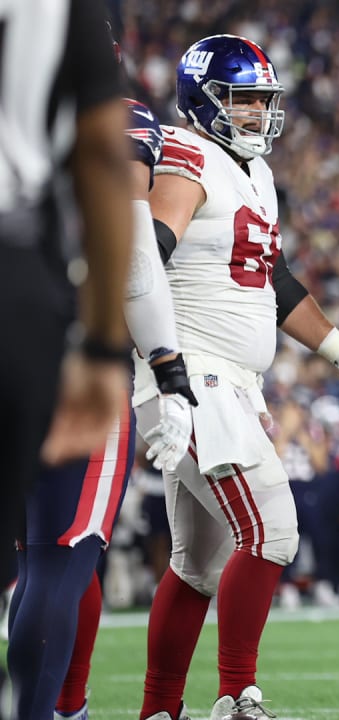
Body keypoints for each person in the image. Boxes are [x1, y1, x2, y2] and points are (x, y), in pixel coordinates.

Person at [133, 34, 339, 720]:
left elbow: (270, 278)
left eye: (261, 100)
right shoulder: (188, 155)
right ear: (204, 101)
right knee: (272, 532)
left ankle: (158, 711)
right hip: (192, 376)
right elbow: (145, 252)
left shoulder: (253, 173)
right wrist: (165, 373)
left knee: (197, 567)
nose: (255, 113)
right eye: (241, 99)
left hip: (229, 382)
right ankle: (239, 696)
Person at [9, 85, 203, 720]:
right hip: (68, 355)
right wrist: (168, 367)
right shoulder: (108, 113)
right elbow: (131, 248)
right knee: (58, 561)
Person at [0, 3, 135, 718]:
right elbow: (104, 162)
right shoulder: (59, 15)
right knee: (54, 558)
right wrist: (111, 347)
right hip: (21, 273)